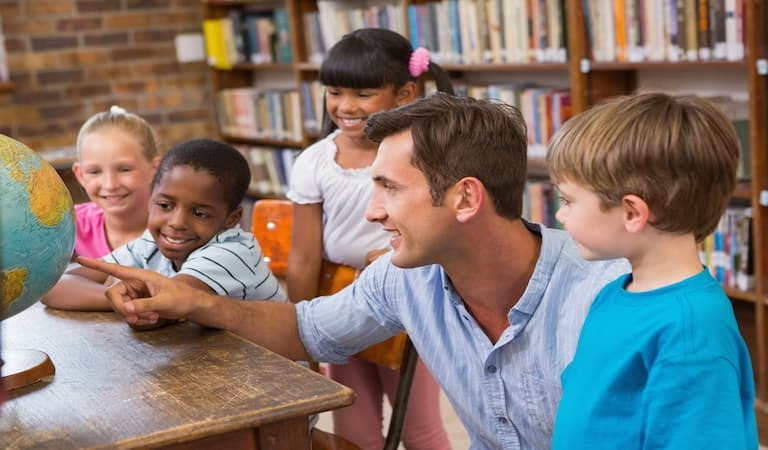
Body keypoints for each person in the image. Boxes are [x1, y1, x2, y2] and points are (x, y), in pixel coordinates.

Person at [79, 93, 629, 449]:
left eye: (389, 188)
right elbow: (306, 330)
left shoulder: (610, 297)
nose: (372, 212)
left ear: (465, 198)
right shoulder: (405, 275)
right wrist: (193, 301)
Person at [546, 93, 757, 449]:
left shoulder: (691, 332)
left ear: (632, 213)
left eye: (568, 201)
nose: (559, 215)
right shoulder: (613, 293)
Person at [286, 28, 453, 449]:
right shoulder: (315, 162)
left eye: (362, 94)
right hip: (341, 299)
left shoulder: (422, 152)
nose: (345, 106)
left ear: (404, 92)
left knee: (419, 427)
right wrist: (299, 337)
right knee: (354, 430)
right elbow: (304, 258)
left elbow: (445, 227)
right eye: (335, 92)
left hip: (408, 297)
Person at [43, 138, 283, 312]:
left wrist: (133, 299)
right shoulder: (151, 242)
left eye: (199, 213)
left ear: (231, 219)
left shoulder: (232, 251)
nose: (176, 223)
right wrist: (115, 299)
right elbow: (54, 287)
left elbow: (168, 303)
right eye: (165, 206)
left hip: (276, 376)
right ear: (151, 199)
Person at [72, 105, 160, 258]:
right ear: (80, 175)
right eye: (94, 172)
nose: (110, 185)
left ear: (154, 168)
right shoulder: (69, 224)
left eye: (124, 169)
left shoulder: (176, 228)